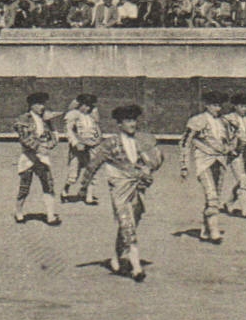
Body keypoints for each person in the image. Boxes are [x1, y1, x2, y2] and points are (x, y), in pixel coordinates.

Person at [83, 104, 164, 281]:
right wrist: (83, 188)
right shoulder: (110, 143)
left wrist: (148, 169)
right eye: (128, 120)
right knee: (128, 225)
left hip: (138, 188)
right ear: (119, 124)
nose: (132, 124)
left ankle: (116, 258)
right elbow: (93, 165)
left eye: (134, 120)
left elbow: (156, 161)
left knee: (130, 224)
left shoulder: (142, 141)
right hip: (119, 190)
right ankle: (136, 268)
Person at [180, 90, 234, 243]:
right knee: (212, 195)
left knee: (215, 195)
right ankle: (215, 232)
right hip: (204, 161)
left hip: (221, 161)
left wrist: (230, 149)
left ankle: (205, 230)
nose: (218, 108)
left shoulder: (223, 122)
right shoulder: (198, 120)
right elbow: (185, 142)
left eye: (220, 105)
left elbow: (228, 141)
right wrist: (184, 165)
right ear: (207, 105)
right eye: (215, 105)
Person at [14, 91, 63, 225]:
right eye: (39, 104)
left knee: (48, 184)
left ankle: (50, 215)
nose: (42, 107)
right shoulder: (24, 118)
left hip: (43, 157)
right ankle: (18, 212)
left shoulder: (46, 120)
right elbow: (24, 138)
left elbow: (53, 136)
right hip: (28, 157)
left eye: (43, 104)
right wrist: (39, 147)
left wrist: (50, 145)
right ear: (31, 105)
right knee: (25, 186)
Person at [61, 93, 102, 204]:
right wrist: (76, 143)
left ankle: (88, 197)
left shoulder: (92, 115)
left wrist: (97, 141)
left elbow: (97, 130)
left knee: (92, 170)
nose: (88, 108)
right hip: (78, 148)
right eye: (86, 105)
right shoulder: (73, 114)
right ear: (80, 105)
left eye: (90, 106)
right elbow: (68, 130)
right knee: (74, 174)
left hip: (92, 146)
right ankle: (65, 190)